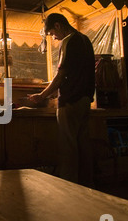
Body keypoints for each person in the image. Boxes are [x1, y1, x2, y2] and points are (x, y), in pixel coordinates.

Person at [29, 13, 95, 186]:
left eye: (52, 33)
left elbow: (60, 76)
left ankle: (69, 187)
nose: (54, 38)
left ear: (58, 26)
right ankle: (89, 185)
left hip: (70, 101)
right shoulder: (85, 40)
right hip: (85, 100)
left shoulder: (68, 41)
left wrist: (42, 95)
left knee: (68, 147)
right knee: (83, 146)